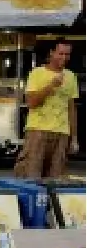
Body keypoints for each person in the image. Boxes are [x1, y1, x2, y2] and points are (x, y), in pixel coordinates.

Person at [14, 39, 80, 178]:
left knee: (56, 179)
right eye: (60, 53)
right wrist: (51, 86)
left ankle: (50, 200)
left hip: (62, 133)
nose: (64, 57)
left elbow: (71, 108)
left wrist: (74, 138)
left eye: (67, 54)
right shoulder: (37, 73)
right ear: (52, 53)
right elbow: (31, 103)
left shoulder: (71, 76)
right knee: (31, 176)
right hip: (38, 131)